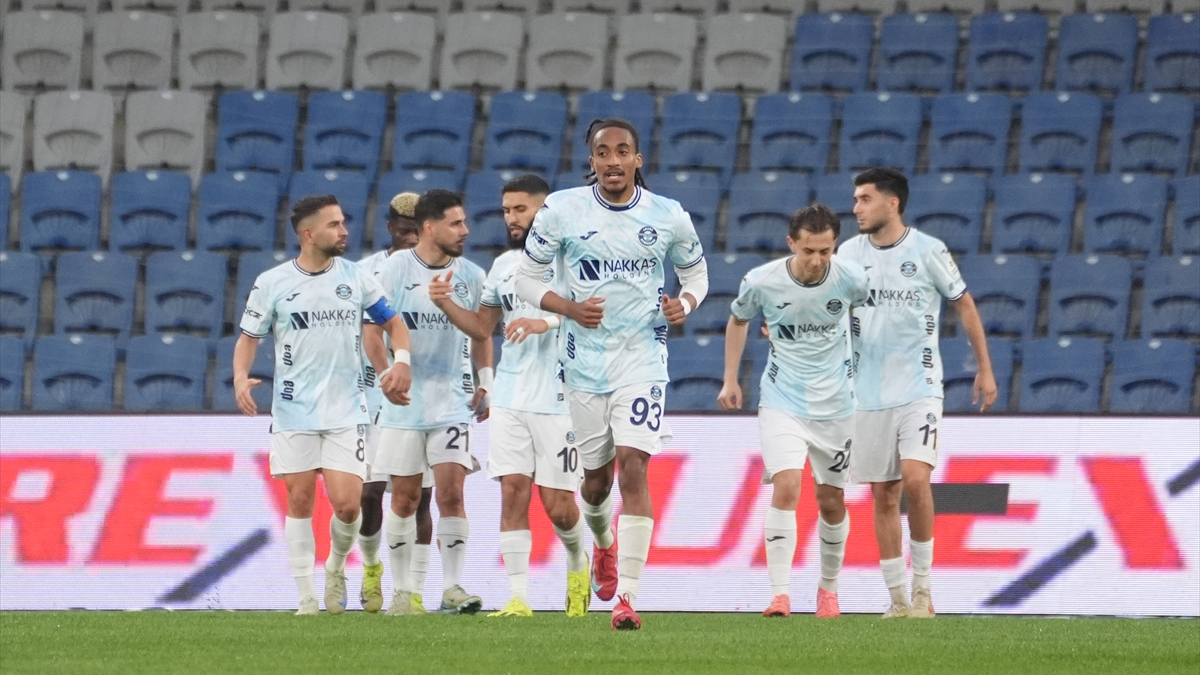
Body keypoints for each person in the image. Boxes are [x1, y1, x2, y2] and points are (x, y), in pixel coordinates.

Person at [513, 118, 709, 630]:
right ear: (593, 161)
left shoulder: (667, 215)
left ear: (637, 160)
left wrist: (686, 303)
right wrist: (568, 308)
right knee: (596, 485)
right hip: (582, 364)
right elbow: (526, 279)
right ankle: (603, 542)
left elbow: (696, 273)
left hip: (642, 359)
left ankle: (628, 597)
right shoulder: (561, 210)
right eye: (604, 152)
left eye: (623, 151)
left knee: (634, 467)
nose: (614, 160)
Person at [234, 194, 412, 616]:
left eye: (343, 222)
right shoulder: (273, 282)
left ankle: (335, 566)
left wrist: (401, 361)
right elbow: (248, 338)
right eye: (334, 224)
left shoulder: (357, 278)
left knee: (349, 506)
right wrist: (241, 377)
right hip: (293, 410)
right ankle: (306, 598)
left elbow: (394, 323)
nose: (344, 231)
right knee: (299, 501)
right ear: (309, 234)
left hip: (346, 410)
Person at [427, 174, 591, 618]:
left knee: (559, 508)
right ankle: (519, 597)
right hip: (511, 396)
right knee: (513, 492)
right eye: (506, 210)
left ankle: (579, 561)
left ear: (545, 210)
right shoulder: (504, 265)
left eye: (521, 209)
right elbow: (483, 328)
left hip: (561, 397)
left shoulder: (576, 258)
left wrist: (546, 322)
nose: (512, 218)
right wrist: (445, 304)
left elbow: (598, 312)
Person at [839, 168, 997, 618]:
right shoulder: (848, 254)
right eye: (855, 199)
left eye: (865, 199)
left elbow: (964, 304)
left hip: (919, 386)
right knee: (884, 494)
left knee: (915, 479)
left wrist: (984, 369)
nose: (856, 208)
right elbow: (829, 307)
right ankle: (897, 599)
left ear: (892, 204)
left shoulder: (929, 251)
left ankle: (924, 590)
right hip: (867, 392)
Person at [717, 204, 868, 620]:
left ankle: (828, 591)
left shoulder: (852, 279)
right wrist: (730, 379)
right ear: (791, 244)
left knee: (831, 499)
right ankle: (780, 595)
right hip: (782, 400)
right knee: (786, 485)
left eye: (825, 251)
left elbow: (866, 320)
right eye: (808, 251)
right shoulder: (762, 281)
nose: (817, 260)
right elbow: (737, 320)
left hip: (837, 405)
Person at [368, 189, 491, 616]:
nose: (465, 230)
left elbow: (482, 332)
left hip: (452, 402)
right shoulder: (394, 269)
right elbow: (372, 331)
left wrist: (486, 381)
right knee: (404, 499)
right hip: (404, 403)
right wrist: (385, 374)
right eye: (455, 223)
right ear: (429, 227)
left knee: (451, 494)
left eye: (464, 222)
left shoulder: (472, 275)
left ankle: (452, 586)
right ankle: (403, 592)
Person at [356, 192, 435, 613]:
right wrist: (384, 373)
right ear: (390, 229)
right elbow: (360, 332)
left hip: (425, 398)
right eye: (404, 232)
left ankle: (413, 592)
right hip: (373, 396)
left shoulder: (442, 269)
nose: (411, 240)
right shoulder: (366, 272)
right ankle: (372, 570)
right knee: (369, 495)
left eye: (417, 232)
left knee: (419, 497)